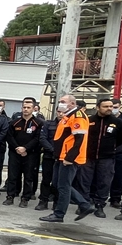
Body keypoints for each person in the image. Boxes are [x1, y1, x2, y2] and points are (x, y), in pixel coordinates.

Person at [40, 93, 96, 223]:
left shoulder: (78, 116)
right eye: (60, 101)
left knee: (63, 186)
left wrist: (70, 157)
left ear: (72, 103)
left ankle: (59, 214)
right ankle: (84, 205)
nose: (60, 103)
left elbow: (79, 139)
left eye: (63, 101)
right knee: (58, 183)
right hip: (61, 156)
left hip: (69, 158)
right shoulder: (67, 116)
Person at [77, 98, 122, 217]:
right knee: (84, 182)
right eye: (106, 106)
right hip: (88, 157)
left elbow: (121, 140)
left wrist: (110, 149)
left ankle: (99, 206)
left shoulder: (117, 123)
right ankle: (84, 204)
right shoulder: (89, 120)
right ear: (98, 107)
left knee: (104, 182)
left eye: (111, 106)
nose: (109, 109)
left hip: (106, 158)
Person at [3, 97, 41, 207]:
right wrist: (17, 148)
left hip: (30, 154)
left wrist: (25, 148)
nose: (26, 109)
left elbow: (37, 139)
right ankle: (10, 196)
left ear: (33, 109)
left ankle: (25, 198)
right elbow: (9, 137)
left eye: (28, 108)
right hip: (15, 153)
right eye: (24, 107)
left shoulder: (38, 123)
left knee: (28, 177)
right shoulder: (14, 122)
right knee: (13, 176)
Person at [34, 108, 60, 212]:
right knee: (46, 180)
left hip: (62, 158)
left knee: (58, 182)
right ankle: (43, 201)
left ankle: (57, 203)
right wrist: (52, 150)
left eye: (63, 112)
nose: (61, 114)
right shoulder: (48, 124)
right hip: (49, 156)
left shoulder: (68, 125)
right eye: (59, 111)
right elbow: (42, 138)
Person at [109, 100, 122, 207]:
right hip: (105, 153)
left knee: (119, 177)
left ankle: (115, 199)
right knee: (101, 177)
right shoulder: (103, 119)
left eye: (115, 107)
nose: (112, 109)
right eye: (110, 107)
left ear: (120, 107)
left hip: (121, 152)